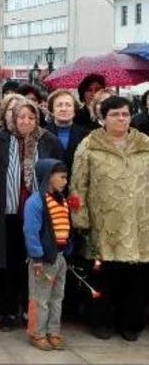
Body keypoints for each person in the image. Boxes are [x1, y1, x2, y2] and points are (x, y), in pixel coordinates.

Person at [72, 95, 149, 341]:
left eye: (125, 114)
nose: (121, 118)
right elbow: (78, 185)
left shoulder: (144, 143)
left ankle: (130, 324)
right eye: (114, 114)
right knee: (102, 275)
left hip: (139, 223)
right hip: (102, 223)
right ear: (102, 118)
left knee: (136, 277)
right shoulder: (89, 145)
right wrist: (79, 217)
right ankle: (101, 321)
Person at [0, 96, 63, 332]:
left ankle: (31, 312)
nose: (26, 121)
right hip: (7, 212)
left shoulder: (49, 141)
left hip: (38, 214)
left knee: (35, 265)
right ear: (13, 119)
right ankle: (8, 311)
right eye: (21, 117)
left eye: (31, 117)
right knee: (8, 264)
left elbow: (59, 175)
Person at [23, 159, 71, 351]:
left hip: (59, 258)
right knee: (40, 298)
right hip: (43, 259)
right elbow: (31, 231)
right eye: (62, 177)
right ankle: (38, 333)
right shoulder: (35, 201)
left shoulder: (62, 200)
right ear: (48, 177)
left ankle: (53, 331)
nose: (65, 181)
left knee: (57, 297)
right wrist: (36, 257)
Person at [44, 90, 88, 174]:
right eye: (59, 105)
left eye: (68, 105)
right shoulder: (42, 135)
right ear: (52, 110)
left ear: (74, 110)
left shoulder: (86, 135)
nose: (64, 109)